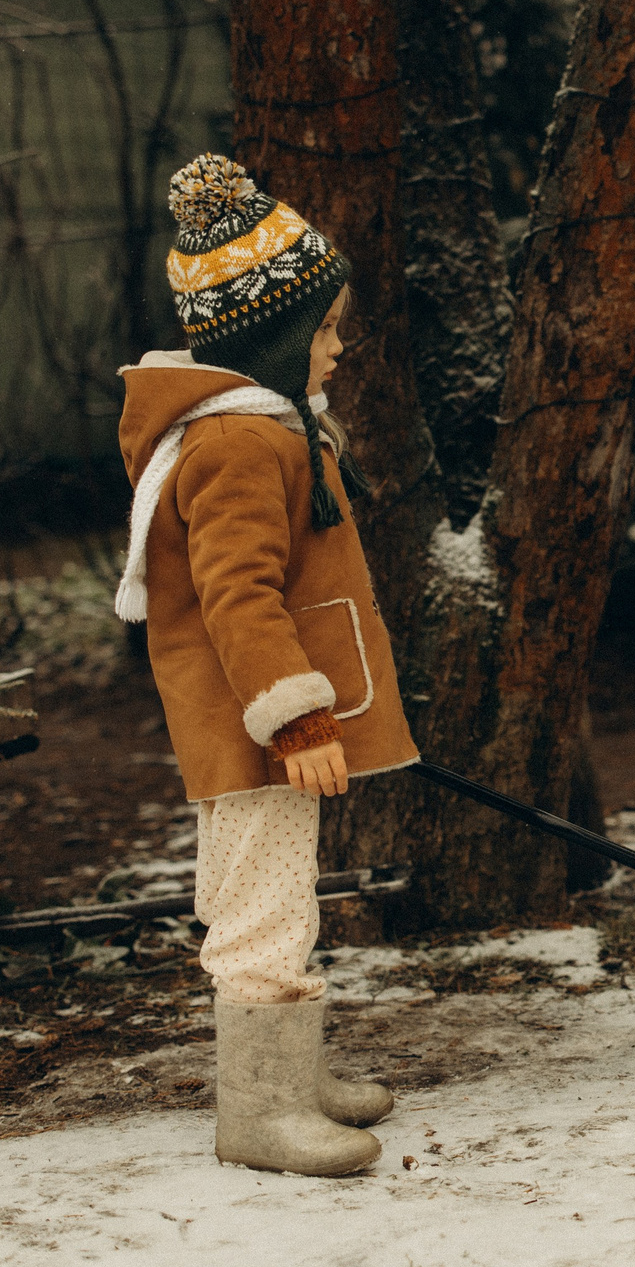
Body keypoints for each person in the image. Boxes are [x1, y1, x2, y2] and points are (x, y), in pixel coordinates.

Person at [114, 153, 420, 1177]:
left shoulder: (271, 427)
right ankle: (257, 1111)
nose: (340, 344)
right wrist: (293, 717)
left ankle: (289, 1077)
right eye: (328, 327)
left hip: (263, 717)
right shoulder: (241, 444)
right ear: (278, 334)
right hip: (252, 721)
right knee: (259, 905)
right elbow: (235, 594)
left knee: (282, 890)